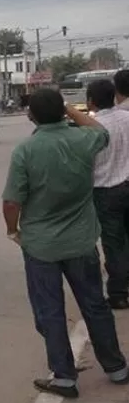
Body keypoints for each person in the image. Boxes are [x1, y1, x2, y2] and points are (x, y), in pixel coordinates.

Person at [2, 88, 129, 398]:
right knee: (95, 305)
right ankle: (116, 367)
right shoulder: (83, 140)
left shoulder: (26, 151)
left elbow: (11, 202)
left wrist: (12, 230)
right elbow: (99, 130)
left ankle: (64, 377)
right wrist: (70, 110)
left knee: (50, 311)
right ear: (63, 112)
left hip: (41, 247)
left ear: (31, 116)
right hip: (82, 243)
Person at [86, 79, 129, 309]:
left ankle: (119, 294)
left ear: (91, 100)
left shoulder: (92, 126)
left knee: (114, 243)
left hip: (106, 191)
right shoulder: (127, 118)